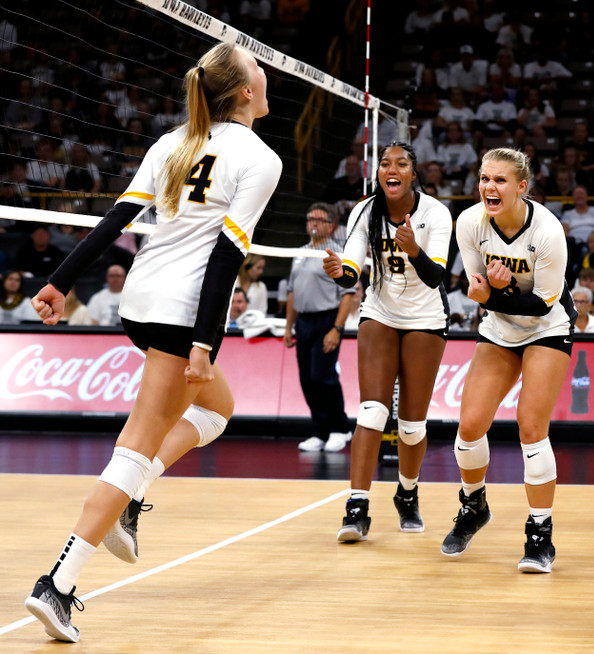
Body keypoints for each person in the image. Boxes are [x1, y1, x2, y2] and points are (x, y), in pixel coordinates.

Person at [24, 42, 280, 642]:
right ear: (244, 91)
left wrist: (59, 282)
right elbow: (225, 257)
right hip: (180, 315)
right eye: (257, 69)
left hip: (140, 302)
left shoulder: (174, 140)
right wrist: (205, 342)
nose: (264, 74)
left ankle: (131, 501)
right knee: (136, 442)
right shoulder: (259, 158)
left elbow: (114, 222)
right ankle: (57, 585)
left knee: (218, 410)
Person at [445, 147, 575, 573]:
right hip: (500, 328)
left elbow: (539, 304)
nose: (489, 187)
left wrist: (495, 295)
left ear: (522, 187)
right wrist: (491, 296)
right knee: (468, 427)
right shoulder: (469, 223)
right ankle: (473, 505)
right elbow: (478, 290)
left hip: (546, 327)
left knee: (531, 426)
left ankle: (541, 534)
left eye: (500, 180)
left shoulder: (548, 231)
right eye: (484, 178)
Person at [321, 142, 453, 541]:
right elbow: (352, 272)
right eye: (384, 164)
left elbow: (436, 278)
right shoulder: (365, 210)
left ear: (414, 174)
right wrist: (338, 272)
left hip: (425, 316)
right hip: (379, 311)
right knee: (372, 412)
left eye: (401, 164)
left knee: (411, 426)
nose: (391, 169)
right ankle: (356, 507)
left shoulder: (436, 214)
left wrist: (413, 249)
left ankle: (407, 494)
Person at [286, 202, 355, 454]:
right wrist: (288, 327)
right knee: (306, 379)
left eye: (318, 219)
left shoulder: (337, 253)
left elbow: (348, 293)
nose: (312, 223)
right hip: (302, 322)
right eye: (309, 219)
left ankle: (340, 428)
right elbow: (293, 291)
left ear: (332, 225)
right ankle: (320, 431)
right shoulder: (300, 252)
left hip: (326, 320)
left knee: (323, 377)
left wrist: (337, 328)